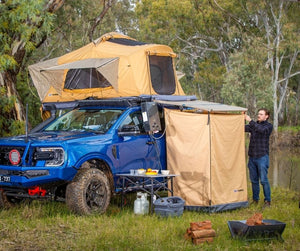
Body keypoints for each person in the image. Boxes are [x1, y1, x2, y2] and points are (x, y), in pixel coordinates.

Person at [245, 108, 273, 207]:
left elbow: (260, 130)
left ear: (266, 116)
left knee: (264, 180)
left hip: (262, 157)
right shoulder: (254, 125)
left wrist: (250, 120)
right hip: (252, 157)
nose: (259, 115)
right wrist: (239, 118)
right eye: (258, 114)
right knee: (254, 180)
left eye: (261, 114)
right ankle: (255, 200)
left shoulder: (268, 126)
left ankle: (267, 201)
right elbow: (243, 128)